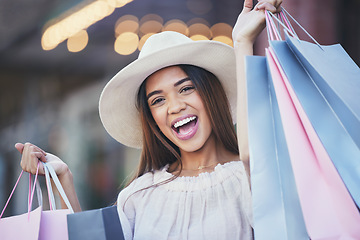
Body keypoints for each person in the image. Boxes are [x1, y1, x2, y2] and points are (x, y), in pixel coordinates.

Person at [15, 0, 282, 239]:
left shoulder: (251, 178)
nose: (175, 107)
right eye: (158, 100)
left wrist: (243, 43)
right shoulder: (139, 196)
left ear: (211, 94)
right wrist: (63, 178)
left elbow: (252, 158)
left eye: (186, 88)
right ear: (152, 119)